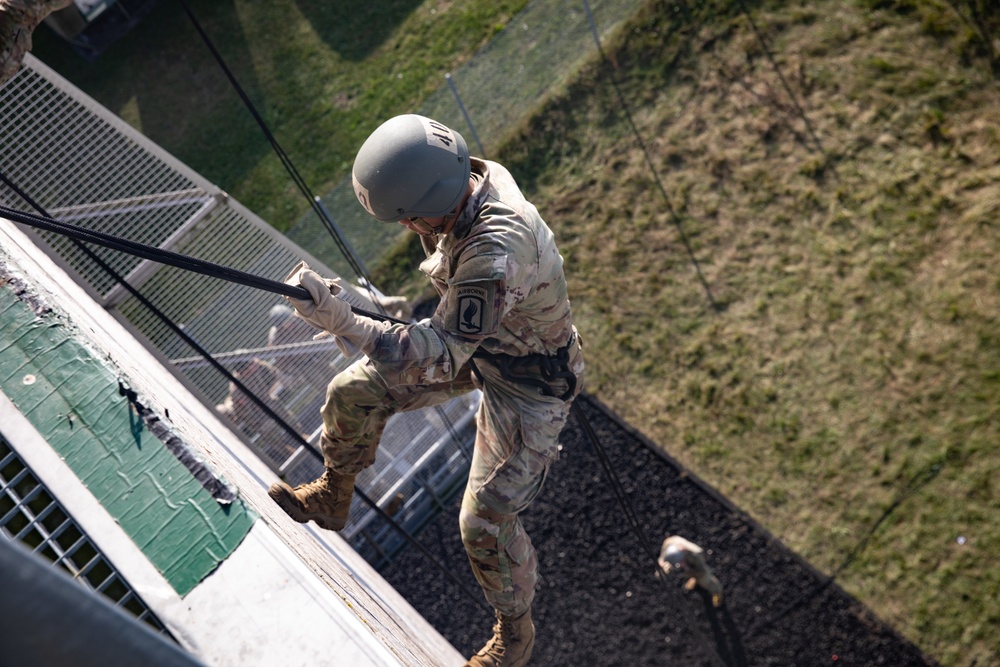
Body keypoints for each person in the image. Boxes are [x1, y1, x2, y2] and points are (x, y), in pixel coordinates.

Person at [268, 114, 584, 667]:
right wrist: (353, 321)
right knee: (352, 392)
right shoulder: (466, 182)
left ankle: (515, 636)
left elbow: (437, 356)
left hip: (531, 383)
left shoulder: (497, 248)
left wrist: (346, 322)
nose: (410, 228)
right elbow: (450, 341)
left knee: (485, 519)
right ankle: (333, 494)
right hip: (482, 347)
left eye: (411, 217)